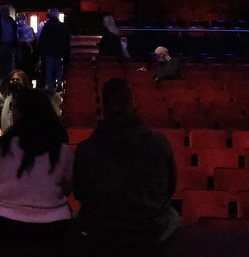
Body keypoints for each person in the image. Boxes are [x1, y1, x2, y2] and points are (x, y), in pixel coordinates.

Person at [73, 78, 181, 250]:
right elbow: (170, 188)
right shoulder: (159, 143)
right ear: (132, 104)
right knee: (174, 216)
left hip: (101, 228)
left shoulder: (87, 147)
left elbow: (79, 192)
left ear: (104, 107)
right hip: (150, 229)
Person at [0, 88, 75, 248]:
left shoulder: (3, 146)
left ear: (20, 113)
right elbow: (68, 188)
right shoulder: (61, 149)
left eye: (13, 107)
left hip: (3, 224)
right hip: (52, 226)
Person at [0, 68, 30, 141]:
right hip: (6, 138)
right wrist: (0, 133)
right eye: (12, 79)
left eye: (17, 80)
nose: (14, 81)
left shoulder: (29, 99)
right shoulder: (1, 97)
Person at [37, 8, 70, 93]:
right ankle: (59, 84)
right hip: (59, 51)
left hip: (49, 51)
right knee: (58, 68)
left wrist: (40, 51)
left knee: (49, 68)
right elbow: (66, 40)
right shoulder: (62, 26)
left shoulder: (47, 26)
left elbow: (42, 40)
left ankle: (51, 86)